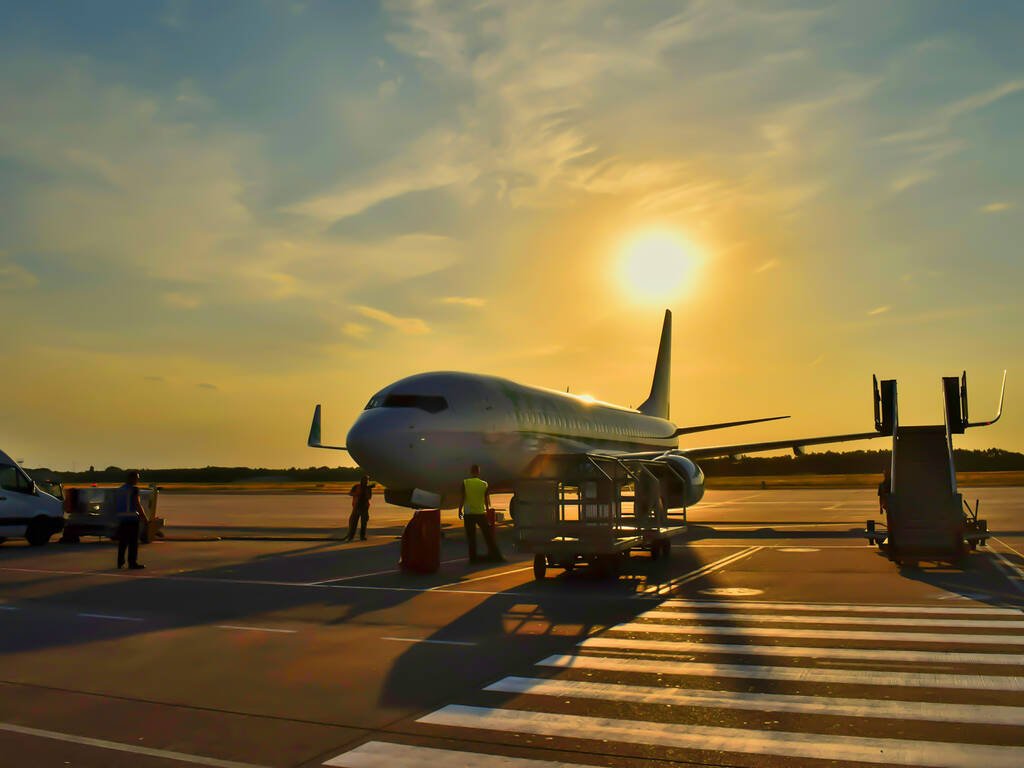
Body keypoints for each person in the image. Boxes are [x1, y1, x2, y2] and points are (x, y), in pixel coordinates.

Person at [458, 464, 504, 563]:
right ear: (478, 472)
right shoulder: (484, 484)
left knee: (471, 537)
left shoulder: (465, 483)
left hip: (469, 513)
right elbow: (487, 500)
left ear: (471, 472)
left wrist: (459, 510)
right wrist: (487, 511)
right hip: (480, 513)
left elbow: (462, 498)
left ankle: (473, 559)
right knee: (488, 536)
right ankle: (496, 555)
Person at [113, 470, 146, 570]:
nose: (137, 480)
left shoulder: (120, 489)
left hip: (122, 519)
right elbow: (137, 504)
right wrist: (144, 517)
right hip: (131, 519)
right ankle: (132, 563)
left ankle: (120, 562)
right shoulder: (134, 489)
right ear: (132, 478)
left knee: (123, 542)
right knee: (133, 543)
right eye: (137, 478)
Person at [344, 475, 373, 541]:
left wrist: (366, 492)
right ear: (361, 480)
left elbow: (369, 497)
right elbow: (350, 493)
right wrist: (357, 494)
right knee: (353, 523)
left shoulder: (368, 488)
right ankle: (350, 536)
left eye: (367, 480)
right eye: (365, 480)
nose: (366, 481)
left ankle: (362, 537)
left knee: (364, 523)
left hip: (364, 508)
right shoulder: (356, 486)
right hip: (356, 507)